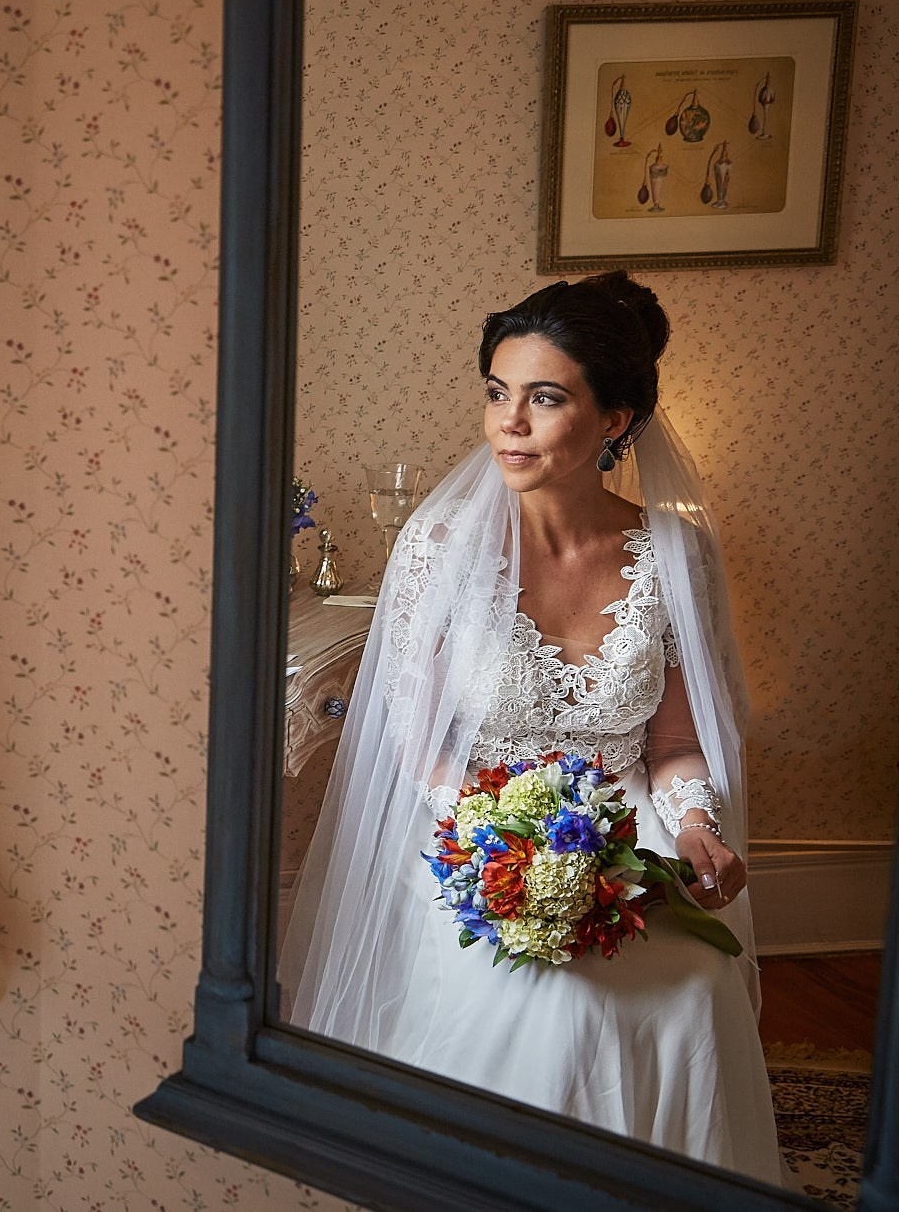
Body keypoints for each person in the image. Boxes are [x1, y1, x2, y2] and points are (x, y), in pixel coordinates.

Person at [280, 272, 781, 1181]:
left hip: (629, 827)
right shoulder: (439, 549)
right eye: (497, 392)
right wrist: (495, 835)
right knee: (557, 1003)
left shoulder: (674, 552)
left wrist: (699, 826)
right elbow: (418, 742)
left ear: (615, 420)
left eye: (544, 398)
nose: (508, 422)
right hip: (463, 825)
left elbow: (672, 743)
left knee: (699, 988)